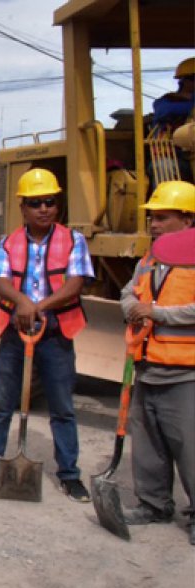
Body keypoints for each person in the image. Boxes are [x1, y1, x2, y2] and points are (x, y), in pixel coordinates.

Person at [0, 168, 94, 502]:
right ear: (23, 207)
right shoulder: (10, 242)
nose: (44, 208)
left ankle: (69, 474)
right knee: (0, 404)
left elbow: (76, 282)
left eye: (50, 201)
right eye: (36, 203)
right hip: (13, 335)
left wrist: (41, 305)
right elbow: (2, 281)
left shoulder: (73, 241)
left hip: (55, 336)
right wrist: (22, 302)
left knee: (62, 408)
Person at [119, 180, 195, 545]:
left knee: (190, 446)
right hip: (147, 364)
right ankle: (152, 503)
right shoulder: (149, 259)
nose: (154, 225)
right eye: (152, 217)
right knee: (148, 443)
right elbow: (128, 292)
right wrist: (130, 307)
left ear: (188, 219)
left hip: (186, 372)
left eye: (163, 218)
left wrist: (157, 312)